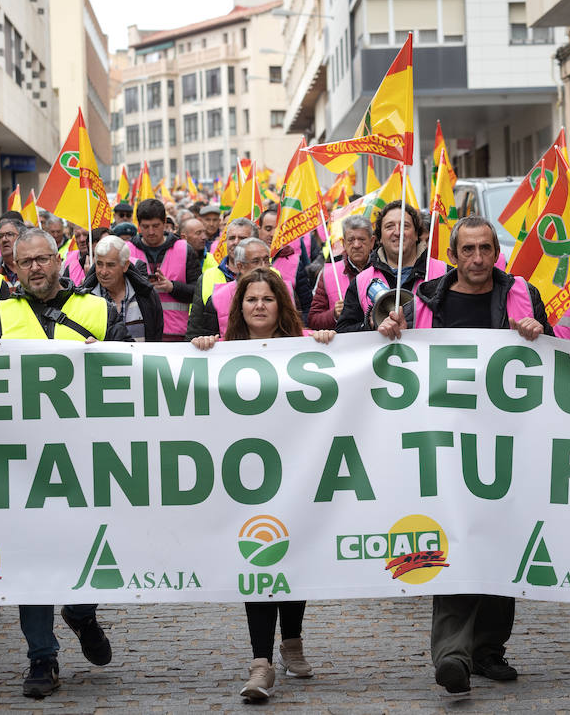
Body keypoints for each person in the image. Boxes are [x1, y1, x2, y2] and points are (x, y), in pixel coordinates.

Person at [375, 216, 548, 694]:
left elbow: (551, 360)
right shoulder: (426, 297)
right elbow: (393, 355)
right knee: (450, 540)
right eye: (467, 249)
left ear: (497, 253)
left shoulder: (520, 294)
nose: (476, 258)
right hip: (444, 442)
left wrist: (537, 331)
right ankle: (452, 655)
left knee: (500, 541)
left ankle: (490, 649)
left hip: (506, 441)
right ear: (453, 255)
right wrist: (392, 332)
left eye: (485, 249)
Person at [0, 229, 121, 698]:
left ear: (59, 262)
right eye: (27, 262)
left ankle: (81, 614)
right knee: (31, 561)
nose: (36, 267)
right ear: (13, 268)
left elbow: (138, 375)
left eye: (44, 259)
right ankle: (42, 658)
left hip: (89, 461)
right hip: (20, 465)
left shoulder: (100, 311)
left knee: (90, 550)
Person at [193, 267, 335, 700]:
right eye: (251, 299)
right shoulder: (222, 352)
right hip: (247, 477)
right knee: (257, 559)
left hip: (297, 468)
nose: (258, 306)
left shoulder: (304, 348)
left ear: (281, 306)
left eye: (267, 299)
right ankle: (261, 664)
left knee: (291, 555)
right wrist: (201, 349)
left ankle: (292, 642)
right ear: (240, 307)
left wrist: (328, 346)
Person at [335, 201, 445, 333]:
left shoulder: (445, 274)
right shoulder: (360, 282)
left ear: (416, 234)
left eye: (405, 225)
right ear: (380, 238)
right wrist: (370, 325)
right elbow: (344, 332)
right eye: (389, 226)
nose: (398, 232)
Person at [188, 237, 298, 339]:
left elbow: (297, 330)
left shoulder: (286, 291)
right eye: (256, 261)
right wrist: (204, 342)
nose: (263, 266)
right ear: (240, 267)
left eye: (266, 260)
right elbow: (201, 335)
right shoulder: (218, 298)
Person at [129, 198, 203, 341]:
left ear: (165, 222)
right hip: (139, 334)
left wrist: (172, 287)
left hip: (176, 334)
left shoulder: (184, 249)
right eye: (145, 226)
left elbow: (198, 293)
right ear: (139, 225)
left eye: (156, 226)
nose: (151, 231)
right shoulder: (127, 250)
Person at [84, 235, 163, 342]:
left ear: (125, 265)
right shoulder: (85, 299)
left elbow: (156, 339)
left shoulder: (146, 295)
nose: (103, 272)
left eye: (110, 265)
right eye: (99, 264)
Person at [308, 215, 373, 330]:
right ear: (343, 243)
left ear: (372, 242)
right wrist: (333, 314)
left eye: (362, 239)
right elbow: (313, 320)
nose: (356, 245)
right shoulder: (328, 274)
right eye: (351, 240)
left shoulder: (384, 270)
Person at [257, 207, 313, 317]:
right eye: (268, 229)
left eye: (277, 229)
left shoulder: (295, 263)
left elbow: (307, 306)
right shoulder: (246, 260)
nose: (273, 234)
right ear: (259, 230)